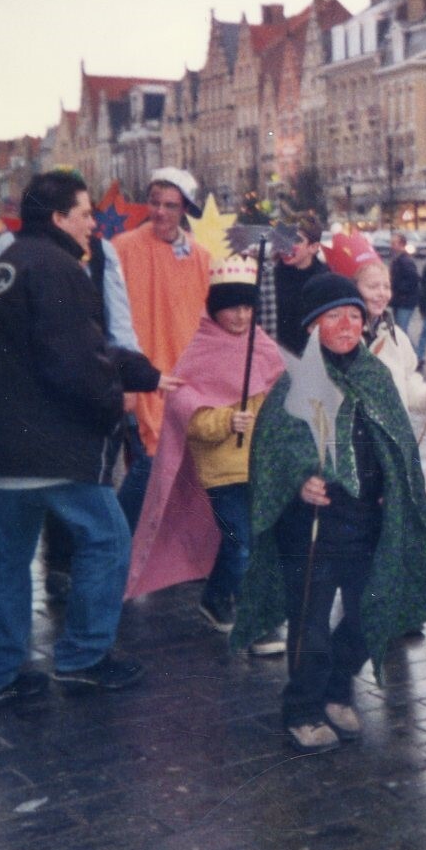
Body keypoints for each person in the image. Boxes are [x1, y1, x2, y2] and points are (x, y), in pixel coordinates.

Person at [0, 171, 168, 708]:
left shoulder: (2, 263)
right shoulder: (58, 268)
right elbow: (74, 360)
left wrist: (145, 375)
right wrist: (109, 408)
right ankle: (84, 657)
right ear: (58, 219)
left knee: (6, 562)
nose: (93, 225)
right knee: (108, 539)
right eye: (83, 214)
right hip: (49, 447)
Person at [232, 273, 426, 751]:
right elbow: (272, 454)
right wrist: (298, 482)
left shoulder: (375, 376)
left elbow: (397, 444)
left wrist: (394, 487)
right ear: (312, 326)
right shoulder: (296, 383)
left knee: (372, 615)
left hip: (367, 522)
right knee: (310, 623)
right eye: (334, 317)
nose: (347, 325)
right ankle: (302, 708)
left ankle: (337, 687)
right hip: (312, 528)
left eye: (354, 316)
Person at [125, 256, 286, 633]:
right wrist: (227, 420)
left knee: (254, 541)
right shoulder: (199, 352)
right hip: (222, 473)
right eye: (232, 307)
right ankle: (233, 605)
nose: (241, 316)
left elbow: (278, 392)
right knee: (239, 541)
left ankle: (219, 598)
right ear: (216, 309)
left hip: (258, 467)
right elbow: (187, 413)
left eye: (248, 307)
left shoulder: (260, 346)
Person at [112, 167, 212, 527]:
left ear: (184, 208)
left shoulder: (200, 257)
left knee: (176, 466)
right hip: (142, 377)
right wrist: (123, 379)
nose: (160, 213)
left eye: (170, 205)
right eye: (154, 203)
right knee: (150, 463)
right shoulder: (122, 249)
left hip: (185, 381)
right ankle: (115, 542)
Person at [328, 233, 426, 415]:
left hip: (391, 436)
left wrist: (425, 397)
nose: (382, 293)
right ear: (351, 290)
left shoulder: (397, 338)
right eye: (372, 287)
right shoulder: (336, 340)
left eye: (386, 286)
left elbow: (408, 378)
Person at [262, 213, 331, 357]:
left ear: (313, 247)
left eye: (295, 240)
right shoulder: (267, 277)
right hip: (274, 360)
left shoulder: (327, 281)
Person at [388, 234, 420, 335]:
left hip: (406, 301)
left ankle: (413, 351)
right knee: (399, 331)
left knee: (401, 332)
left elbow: (413, 280)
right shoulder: (397, 259)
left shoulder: (405, 260)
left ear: (401, 244)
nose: (391, 246)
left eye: (393, 243)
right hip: (399, 300)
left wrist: (396, 287)